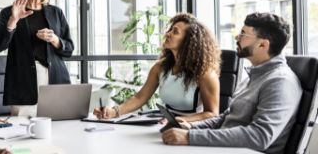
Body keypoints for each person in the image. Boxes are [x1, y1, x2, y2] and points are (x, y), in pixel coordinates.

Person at [162, 12, 302, 154]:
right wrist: (191, 127)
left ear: (262, 44)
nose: (237, 37)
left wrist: (191, 137)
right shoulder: (254, 76)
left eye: (243, 34)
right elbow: (225, 119)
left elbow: (259, 137)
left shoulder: (280, 82)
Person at [94, 13, 221, 122]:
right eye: (170, 29)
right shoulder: (160, 67)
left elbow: (212, 113)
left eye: (175, 32)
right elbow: (140, 97)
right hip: (165, 123)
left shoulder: (205, 74)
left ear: (189, 41)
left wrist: (182, 120)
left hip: (192, 128)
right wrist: (114, 111)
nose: (168, 33)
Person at [0, 0, 74, 117]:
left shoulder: (56, 13)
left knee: (60, 129)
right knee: (22, 133)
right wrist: (13, 20)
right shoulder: (9, 12)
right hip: (23, 82)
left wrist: (55, 39)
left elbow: (69, 49)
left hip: (55, 79)